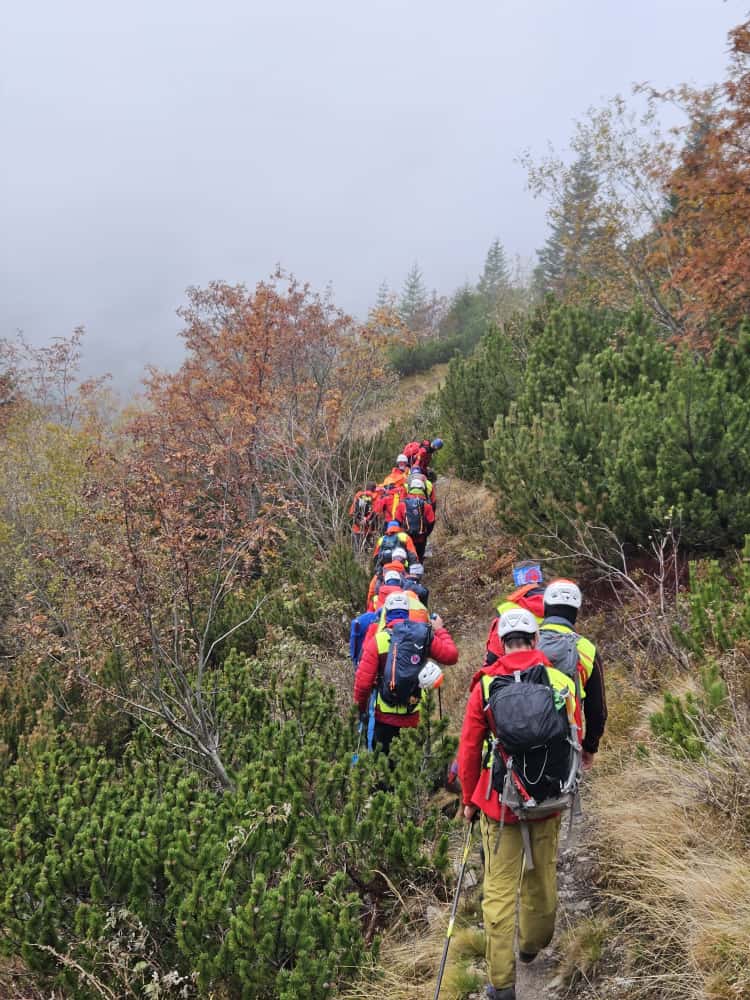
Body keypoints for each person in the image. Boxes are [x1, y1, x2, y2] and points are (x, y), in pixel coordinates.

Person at [458, 608, 577, 1000]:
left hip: (501, 805)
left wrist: (469, 799)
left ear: (501, 644)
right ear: (535, 640)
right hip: (547, 800)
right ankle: (532, 944)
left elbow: (471, 748)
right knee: (542, 880)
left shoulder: (486, 687)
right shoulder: (561, 682)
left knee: (498, 893)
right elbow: (572, 738)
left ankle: (502, 984)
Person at [354, 592, 458, 755]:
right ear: (407, 613)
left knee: (383, 770)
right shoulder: (422, 637)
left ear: (386, 614)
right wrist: (439, 630)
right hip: (414, 714)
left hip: (384, 717)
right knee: (411, 767)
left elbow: (363, 684)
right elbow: (451, 656)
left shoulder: (378, 641)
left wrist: (361, 710)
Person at [538, 579, 607, 771]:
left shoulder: (526, 643)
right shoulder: (586, 650)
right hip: (567, 742)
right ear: (576, 612)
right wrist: (590, 747)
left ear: (545, 607)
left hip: (521, 739)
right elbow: (597, 710)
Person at [484, 562, 546, 668]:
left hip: (518, 669)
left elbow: (494, 653)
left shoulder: (506, 609)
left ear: (518, 579)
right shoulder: (557, 604)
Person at [394, 477, 435, 561]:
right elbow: (431, 522)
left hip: (406, 537)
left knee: (407, 558)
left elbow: (397, 521)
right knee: (419, 558)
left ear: (410, 488)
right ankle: (418, 571)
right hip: (421, 538)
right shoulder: (427, 505)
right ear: (423, 489)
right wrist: (426, 533)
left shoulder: (402, 504)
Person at [349, 481, 378, 547]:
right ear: (374, 489)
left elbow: (352, 513)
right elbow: (376, 514)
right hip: (370, 531)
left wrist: (359, 522)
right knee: (369, 551)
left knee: (357, 552)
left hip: (357, 530)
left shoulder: (358, 496)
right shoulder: (376, 497)